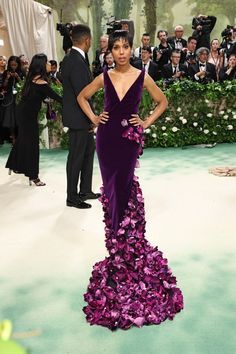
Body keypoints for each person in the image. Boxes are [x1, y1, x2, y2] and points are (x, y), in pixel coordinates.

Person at [78, 30, 184, 330]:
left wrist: (145, 122)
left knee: (125, 190)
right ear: (110, 51)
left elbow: (161, 102)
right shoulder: (104, 76)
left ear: (131, 49)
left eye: (125, 47)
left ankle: (128, 249)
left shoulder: (142, 76)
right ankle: (118, 249)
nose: (121, 52)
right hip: (107, 138)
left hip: (129, 138)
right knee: (111, 191)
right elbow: (81, 97)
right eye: (116, 47)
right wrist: (95, 118)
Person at [6, 54, 62, 186]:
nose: (49, 64)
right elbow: (58, 98)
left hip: (23, 113)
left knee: (24, 141)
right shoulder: (42, 83)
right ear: (42, 65)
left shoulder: (32, 79)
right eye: (47, 62)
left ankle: (15, 165)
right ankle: (33, 176)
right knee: (32, 145)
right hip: (27, 116)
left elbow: (37, 97)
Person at [61, 24, 100, 209]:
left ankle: (85, 190)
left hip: (82, 117)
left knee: (87, 153)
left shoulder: (75, 57)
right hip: (78, 118)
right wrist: (92, 117)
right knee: (76, 157)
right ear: (87, 40)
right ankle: (72, 196)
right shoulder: (75, 60)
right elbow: (81, 94)